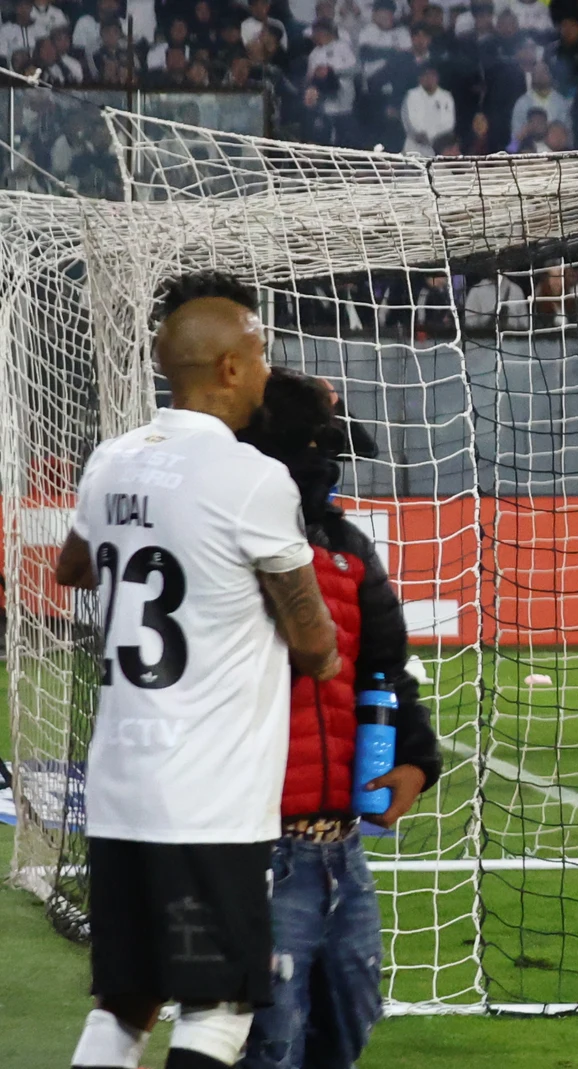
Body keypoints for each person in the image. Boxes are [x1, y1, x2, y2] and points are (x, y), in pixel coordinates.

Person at [56, 272, 339, 1069]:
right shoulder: (253, 478)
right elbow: (314, 644)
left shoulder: (110, 460)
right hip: (209, 799)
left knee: (124, 1003)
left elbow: (72, 566)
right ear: (226, 368)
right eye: (257, 356)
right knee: (218, 1010)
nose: (263, 373)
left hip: (118, 794)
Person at [235, 369, 440, 1069]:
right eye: (320, 447)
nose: (330, 467)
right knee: (273, 1041)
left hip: (340, 844)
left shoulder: (348, 545)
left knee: (349, 1017)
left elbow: (386, 662)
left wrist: (417, 757)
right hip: (257, 840)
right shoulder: (226, 543)